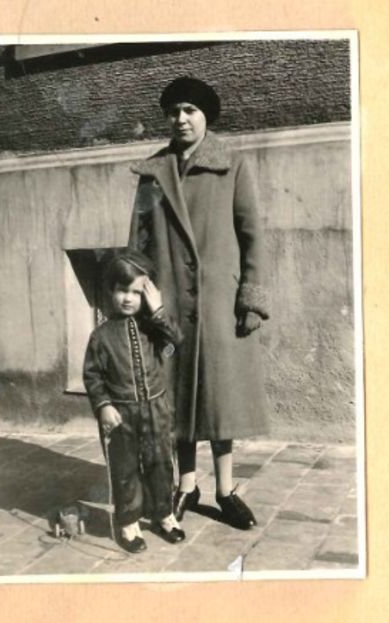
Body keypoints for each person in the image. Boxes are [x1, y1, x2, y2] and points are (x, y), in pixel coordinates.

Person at [128, 77, 270, 531]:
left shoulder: (232, 165)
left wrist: (250, 297)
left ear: (206, 115)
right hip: (167, 302)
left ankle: (226, 491)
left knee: (218, 400)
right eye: (173, 111)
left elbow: (253, 238)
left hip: (217, 305)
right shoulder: (153, 172)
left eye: (190, 110)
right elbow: (139, 242)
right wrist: (138, 298)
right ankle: (186, 485)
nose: (181, 119)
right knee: (176, 396)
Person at [81, 250, 186, 554]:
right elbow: (93, 376)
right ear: (111, 290)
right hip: (121, 414)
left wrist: (158, 309)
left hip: (156, 408)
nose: (128, 298)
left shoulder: (153, 326)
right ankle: (129, 523)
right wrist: (104, 406)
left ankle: (164, 515)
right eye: (122, 290)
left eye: (136, 292)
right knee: (125, 469)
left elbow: (176, 340)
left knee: (161, 463)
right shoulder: (101, 337)